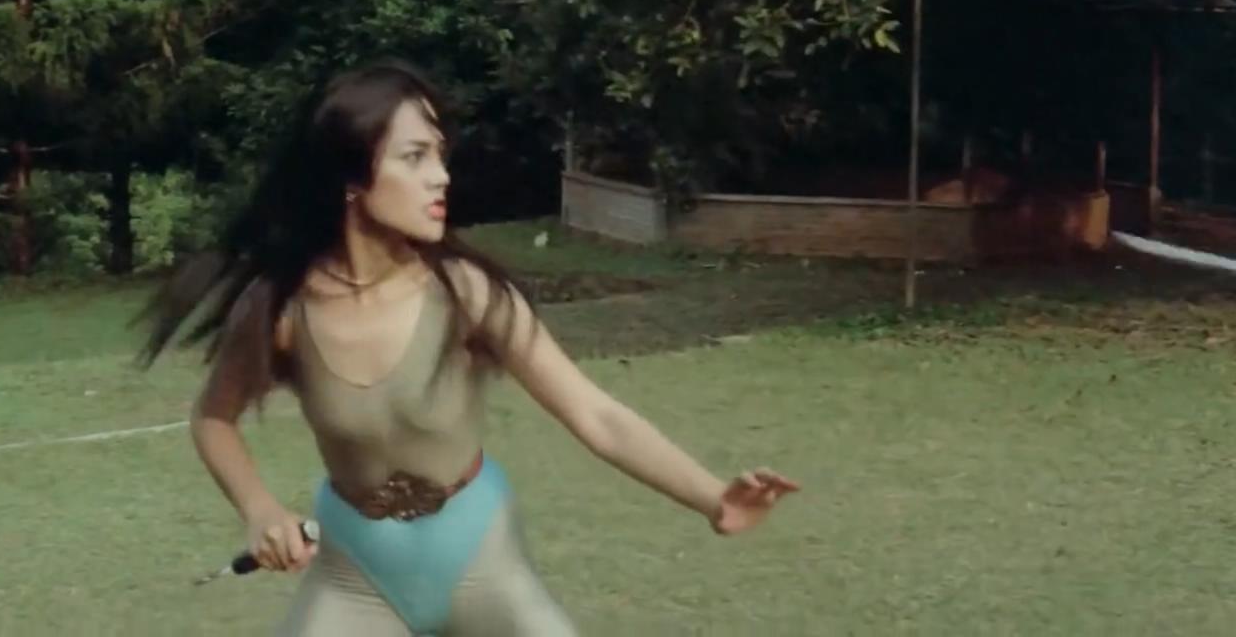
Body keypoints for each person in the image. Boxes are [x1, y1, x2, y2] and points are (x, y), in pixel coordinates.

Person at [136, 59, 799, 636]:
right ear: (352, 178)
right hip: (356, 572)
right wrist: (259, 510)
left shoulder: (466, 293)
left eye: (440, 155)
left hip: (479, 554)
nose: (441, 177)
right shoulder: (281, 309)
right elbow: (214, 418)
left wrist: (714, 497)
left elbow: (595, 414)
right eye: (414, 157)